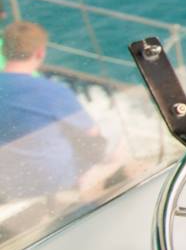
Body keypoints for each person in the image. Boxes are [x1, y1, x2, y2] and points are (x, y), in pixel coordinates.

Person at [0, 21, 109, 208]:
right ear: (40, 52)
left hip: (8, 182)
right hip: (53, 180)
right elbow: (92, 133)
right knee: (112, 135)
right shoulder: (52, 91)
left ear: (4, 51)